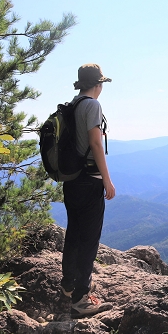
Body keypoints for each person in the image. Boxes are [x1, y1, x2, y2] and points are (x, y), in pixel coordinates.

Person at [60, 63, 116, 318]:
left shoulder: (73, 104)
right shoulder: (92, 105)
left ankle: (68, 286)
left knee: (74, 233)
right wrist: (107, 179)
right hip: (89, 180)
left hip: (71, 180)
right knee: (89, 239)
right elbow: (95, 142)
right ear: (98, 84)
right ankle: (82, 298)